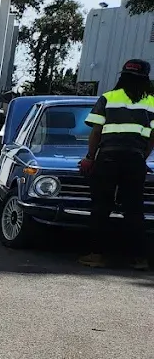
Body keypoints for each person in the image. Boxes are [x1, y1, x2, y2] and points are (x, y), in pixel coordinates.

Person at [78, 59, 154, 270]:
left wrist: (90, 157)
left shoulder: (108, 98)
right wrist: (143, 156)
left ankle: (96, 255)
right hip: (135, 160)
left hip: (108, 159)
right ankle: (139, 259)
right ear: (145, 79)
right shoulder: (151, 102)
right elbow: (153, 136)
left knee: (101, 206)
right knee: (134, 209)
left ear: (122, 76)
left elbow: (96, 131)